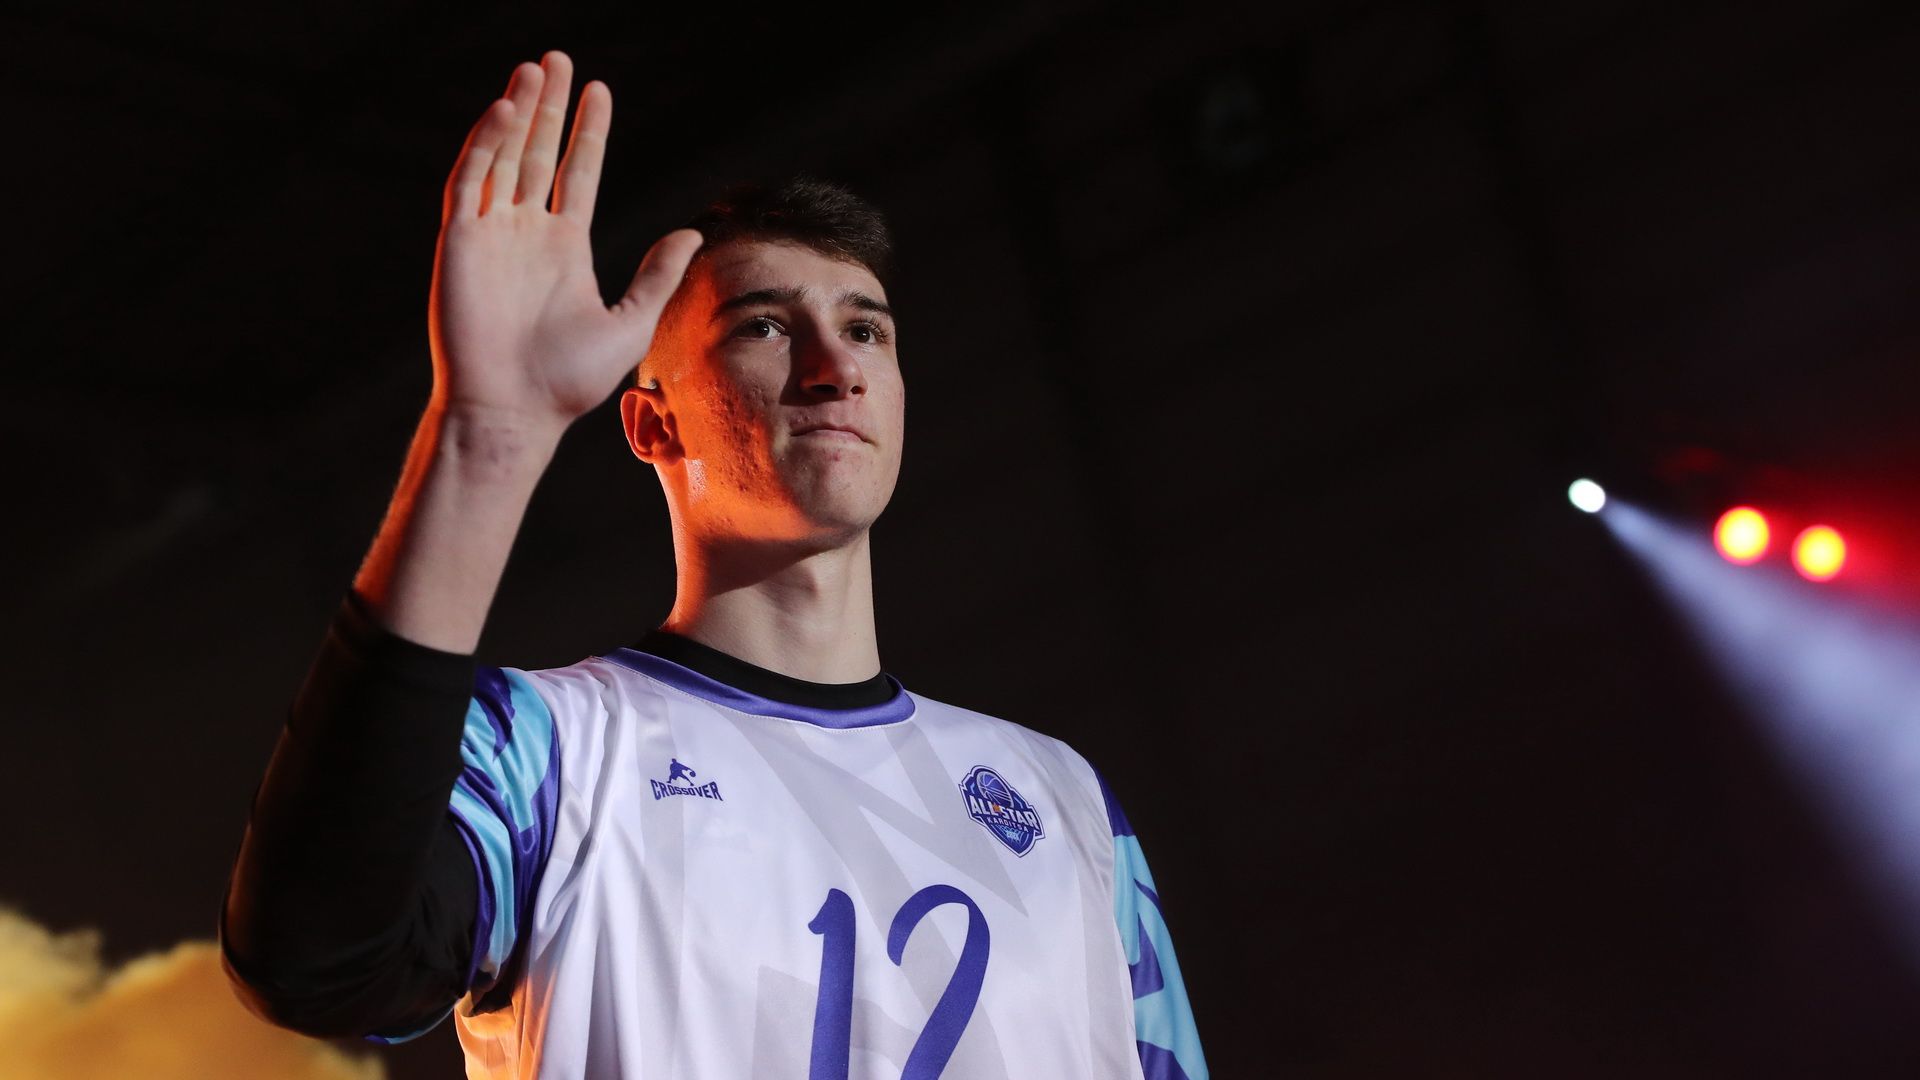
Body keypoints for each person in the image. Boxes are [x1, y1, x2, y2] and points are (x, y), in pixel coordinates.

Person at [218, 49, 1207, 1080]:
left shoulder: (1062, 799)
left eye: (865, 329)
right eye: (766, 327)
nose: (836, 368)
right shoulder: (552, 753)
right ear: (653, 423)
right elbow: (316, 964)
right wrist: (483, 436)